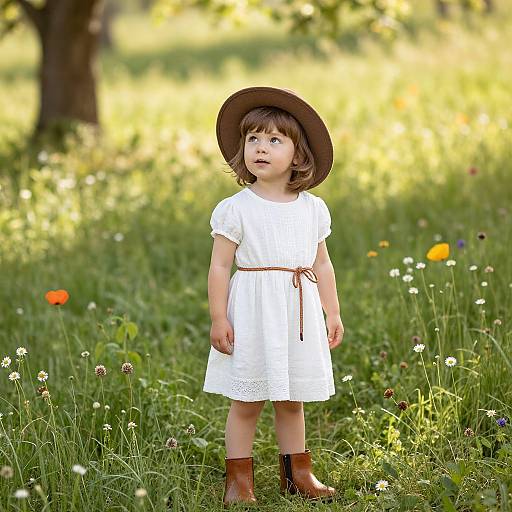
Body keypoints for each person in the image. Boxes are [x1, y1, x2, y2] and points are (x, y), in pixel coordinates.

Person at [203, 86, 344, 508]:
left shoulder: (312, 209)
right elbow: (219, 267)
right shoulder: (237, 208)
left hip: (297, 311)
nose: (260, 149)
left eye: (274, 140)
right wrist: (218, 318)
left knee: (291, 398)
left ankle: (297, 474)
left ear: (299, 156)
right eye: (253, 140)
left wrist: (331, 311)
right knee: (247, 400)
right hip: (252, 312)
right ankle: (238, 481)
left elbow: (321, 266)